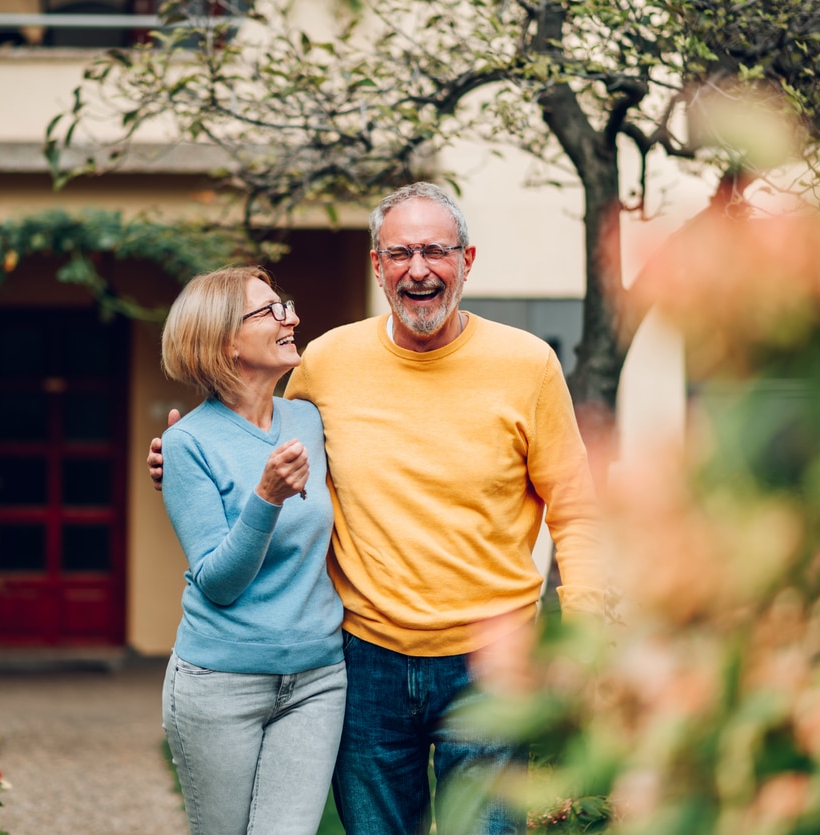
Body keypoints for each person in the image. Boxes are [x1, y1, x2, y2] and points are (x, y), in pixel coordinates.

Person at [150, 184, 604, 834]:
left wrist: (584, 634)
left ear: (467, 260)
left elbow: (574, 507)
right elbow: (247, 433)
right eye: (399, 253)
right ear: (376, 266)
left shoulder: (526, 365)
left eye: (434, 251)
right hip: (361, 661)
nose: (417, 268)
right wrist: (178, 461)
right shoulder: (326, 363)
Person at [157, 265, 348, 835]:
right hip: (221, 682)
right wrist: (265, 497)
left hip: (317, 676)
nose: (289, 317)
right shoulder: (188, 443)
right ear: (224, 343)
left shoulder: (309, 418)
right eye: (269, 311)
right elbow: (218, 581)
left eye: (283, 304)